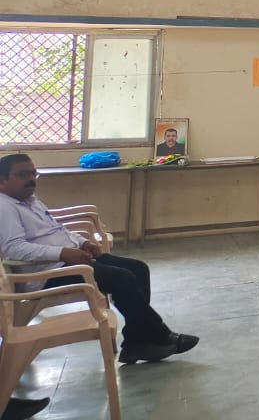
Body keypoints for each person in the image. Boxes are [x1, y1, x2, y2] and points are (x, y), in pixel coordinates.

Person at [0, 154, 199, 365]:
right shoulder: (5, 207)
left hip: (71, 261)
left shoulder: (31, 201)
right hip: (48, 273)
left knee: (138, 268)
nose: (31, 179)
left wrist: (82, 242)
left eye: (33, 173)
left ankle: (137, 342)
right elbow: (14, 249)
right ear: (2, 180)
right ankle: (159, 334)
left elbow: (57, 230)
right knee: (121, 278)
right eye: (23, 175)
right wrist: (62, 253)